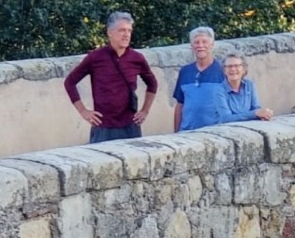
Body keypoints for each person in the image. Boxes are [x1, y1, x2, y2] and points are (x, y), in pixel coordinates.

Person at [63, 11, 159, 143]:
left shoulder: (137, 58)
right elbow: (70, 82)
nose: (126, 35)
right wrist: (83, 111)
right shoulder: (96, 57)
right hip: (103, 127)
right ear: (110, 33)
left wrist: (145, 111)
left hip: (130, 126)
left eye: (129, 31)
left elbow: (152, 83)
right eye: (122, 30)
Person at [171, 26, 223, 132]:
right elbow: (180, 104)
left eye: (204, 42)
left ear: (212, 44)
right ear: (191, 45)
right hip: (187, 133)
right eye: (197, 42)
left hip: (214, 133)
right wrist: (176, 133)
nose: (200, 46)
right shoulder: (185, 71)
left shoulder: (223, 71)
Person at [211, 53, 273, 124]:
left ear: (244, 69)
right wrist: (254, 114)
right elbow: (226, 118)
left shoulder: (250, 85)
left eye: (237, 66)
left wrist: (265, 114)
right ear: (224, 71)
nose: (233, 69)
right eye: (229, 66)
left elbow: (256, 109)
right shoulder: (219, 90)